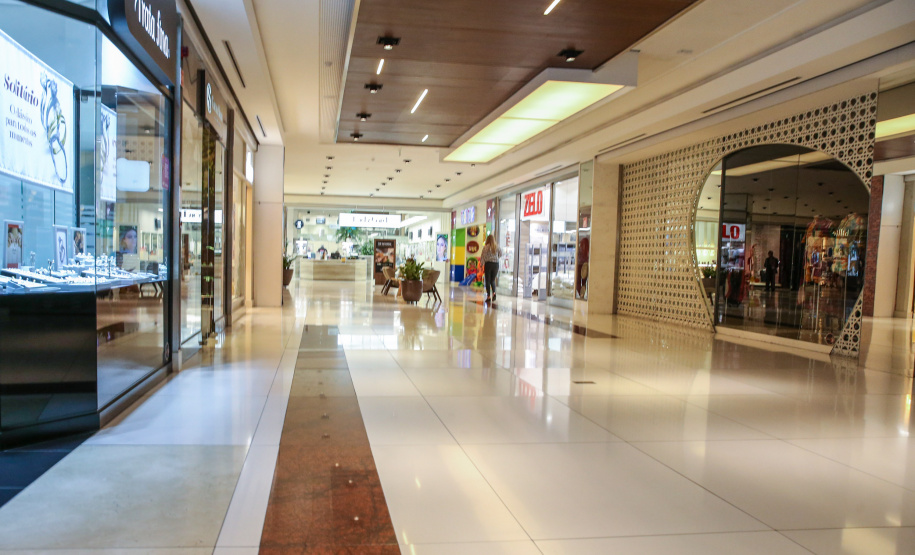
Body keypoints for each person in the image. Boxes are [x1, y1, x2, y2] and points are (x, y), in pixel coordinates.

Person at [480, 234, 501, 303]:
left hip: (488, 264)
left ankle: (488, 296)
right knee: (492, 280)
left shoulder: (485, 247)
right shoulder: (497, 246)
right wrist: (496, 258)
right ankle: (494, 293)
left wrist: (481, 264)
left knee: (488, 281)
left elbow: (482, 256)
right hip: (496, 264)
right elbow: (500, 254)